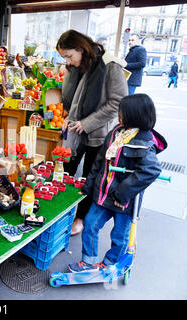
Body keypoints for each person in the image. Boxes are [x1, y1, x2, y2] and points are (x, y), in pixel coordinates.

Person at [67, 94, 167, 272]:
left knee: (120, 236)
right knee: (90, 224)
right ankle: (89, 261)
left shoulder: (144, 143)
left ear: (135, 115)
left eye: (122, 112)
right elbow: (100, 160)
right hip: (103, 193)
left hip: (124, 201)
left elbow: (150, 171)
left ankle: (110, 263)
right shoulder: (116, 133)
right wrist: (90, 184)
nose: (119, 116)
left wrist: (122, 193)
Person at [57, 29, 128, 235]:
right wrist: (69, 118)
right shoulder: (81, 66)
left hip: (99, 134)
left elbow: (118, 103)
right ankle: (63, 212)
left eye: (69, 56)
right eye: (64, 58)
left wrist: (87, 123)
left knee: (90, 177)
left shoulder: (109, 66)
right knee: (66, 170)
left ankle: (80, 218)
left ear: (81, 48)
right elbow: (76, 99)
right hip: (76, 129)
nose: (68, 62)